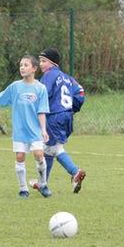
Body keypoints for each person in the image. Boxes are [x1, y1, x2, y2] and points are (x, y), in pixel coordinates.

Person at [0, 55, 51, 198]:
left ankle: (43, 184)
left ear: (34, 69)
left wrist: (43, 129)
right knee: (20, 156)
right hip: (20, 131)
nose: (22, 68)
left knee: (39, 154)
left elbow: (42, 111)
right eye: (21, 65)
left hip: (35, 130)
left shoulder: (40, 88)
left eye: (26, 65)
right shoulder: (15, 87)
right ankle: (23, 189)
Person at [29, 48, 86, 194]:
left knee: (54, 149)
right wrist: (71, 109)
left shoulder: (49, 75)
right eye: (40, 61)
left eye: (43, 61)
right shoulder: (67, 77)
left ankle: (75, 172)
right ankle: (43, 183)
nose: (40, 64)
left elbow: (43, 94)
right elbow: (80, 93)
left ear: (53, 63)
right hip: (66, 116)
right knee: (49, 149)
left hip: (54, 116)